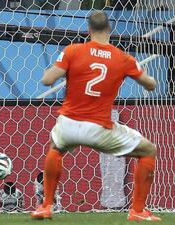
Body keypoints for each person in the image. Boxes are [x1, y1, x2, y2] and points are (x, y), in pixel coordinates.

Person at [30, 11, 160, 221]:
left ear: (88, 30)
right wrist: (141, 74)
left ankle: (46, 206)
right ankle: (137, 210)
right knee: (148, 150)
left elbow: (47, 80)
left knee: (56, 148)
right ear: (109, 30)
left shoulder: (73, 51)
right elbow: (151, 85)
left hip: (69, 124)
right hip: (100, 128)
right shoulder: (123, 58)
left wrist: (65, 70)